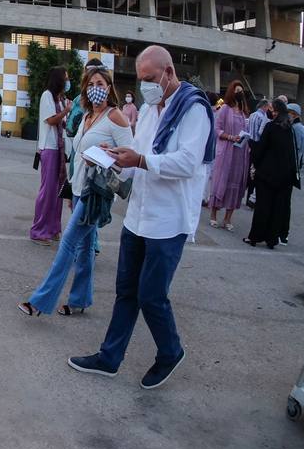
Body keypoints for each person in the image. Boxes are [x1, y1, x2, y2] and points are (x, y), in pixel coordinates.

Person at [68, 45, 214, 389]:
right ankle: (109, 358)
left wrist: (139, 161)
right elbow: (137, 155)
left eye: (150, 79)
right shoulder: (149, 109)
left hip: (168, 220)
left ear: (168, 72)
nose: (145, 85)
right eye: (140, 79)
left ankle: (170, 351)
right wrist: (112, 159)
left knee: (151, 294)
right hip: (138, 215)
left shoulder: (193, 110)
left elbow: (187, 163)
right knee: (126, 291)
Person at [19, 67, 133, 317]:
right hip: (80, 187)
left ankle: (40, 301)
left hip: (96, 192)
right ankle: (80, 299)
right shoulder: (87, 116)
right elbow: (77, 154)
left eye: (101, 83)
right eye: (91, 83)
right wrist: (70, 188)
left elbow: (129, 158)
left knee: (69, 242)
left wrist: (107, 156)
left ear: (109, 87)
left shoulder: (116, 117)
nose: (96, 88)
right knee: (84, 248)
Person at [244, 99, 297, 249]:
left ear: (276, 111)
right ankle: (271, 239)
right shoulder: (289, 129)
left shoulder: (270, 126)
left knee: (263, 207)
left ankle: (254, 237)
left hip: (267, 175)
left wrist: (250, 144)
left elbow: (261, 149)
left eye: (273, 110)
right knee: (277, 208)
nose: (271, 112)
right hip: (284, 177)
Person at [30, 67, 70, 244]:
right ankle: (39, 231)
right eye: (66, 78)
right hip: (49, 148)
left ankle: (53, 228)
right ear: (59, 80)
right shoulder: (47, 96)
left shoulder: (60, 99)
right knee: (47, 192)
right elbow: (51, 120)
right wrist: (66, 111)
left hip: (60, 150)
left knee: (58, 192)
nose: (68, 82)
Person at [207, 81, 250, 231]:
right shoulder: (225, 109)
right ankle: (213, 215)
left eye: (241, 91)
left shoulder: (244, 112)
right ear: (232, 92)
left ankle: (227, 218)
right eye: (237, 90)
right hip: (226, 151)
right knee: (221, 181)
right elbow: (216, 129)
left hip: (240, 153)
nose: (240, 93)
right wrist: (230, 137)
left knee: (236, 183)